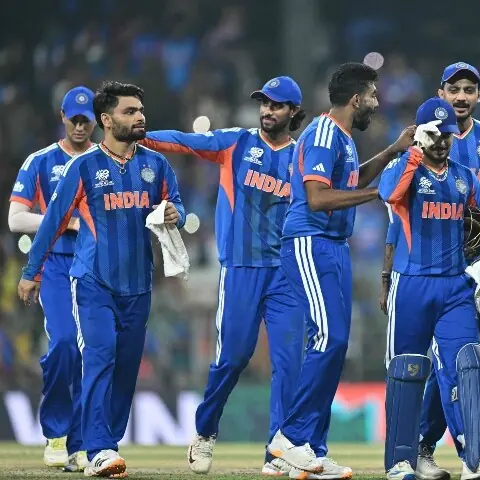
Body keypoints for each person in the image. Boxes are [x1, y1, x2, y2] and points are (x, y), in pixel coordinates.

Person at [379, 61, 480, 480]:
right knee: (414, 368)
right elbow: (391, 202)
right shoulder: (407, 168)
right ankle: (405, 456)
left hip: (463, 281)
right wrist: (413, 153)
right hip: (413, 279)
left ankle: (477, 454)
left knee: (467, 362)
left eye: (446, 134)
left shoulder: (472, 169)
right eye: (455, 90)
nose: (442, 142)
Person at [139, 77, 307, 475]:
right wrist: (139, 137)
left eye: (277, 105)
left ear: (294, 113)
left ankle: (277, 452)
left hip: (286, 272)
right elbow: (184, 142)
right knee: (232, 358)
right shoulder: (237, 142)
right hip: (242, 269)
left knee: (290, 364)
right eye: (264, 103)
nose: (267, 110)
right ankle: (205, 431)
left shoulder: (303, 158)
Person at [17, 81, 186, 478]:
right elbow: (54, 221)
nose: (140, 117)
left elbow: (175, 201)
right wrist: (32, 272)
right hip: (93, 282)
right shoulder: (84, 166)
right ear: (107, 120)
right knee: (98, 358)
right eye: (130, 111)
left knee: (127, 370)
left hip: (139, 286)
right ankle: (99, 448)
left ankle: (104, 442)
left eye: (141, 110)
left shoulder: (156, 164)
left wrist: (174, 211)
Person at [267, 63, 414, 479]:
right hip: (310, 242)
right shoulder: (323, 133)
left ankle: (310, 447)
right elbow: (317, 197)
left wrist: (390, 154)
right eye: (372, 95)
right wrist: (378, 193)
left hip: (332, 247)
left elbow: (347, 180)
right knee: (328, 338)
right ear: (356, 98)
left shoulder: (344, 139)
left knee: (336, 343)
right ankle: (290, 439)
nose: (376, 102)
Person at [8, 86, 95, 472]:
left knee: (94, 353)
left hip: (99, 266)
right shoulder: (40, 161)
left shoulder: (109, 161)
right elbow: (15, 218)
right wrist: (65, 220)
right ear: (62, 117)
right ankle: (57, 433)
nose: (79, 125)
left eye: (86, 118)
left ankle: (83, 444)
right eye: (73, 118)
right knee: (63, 344)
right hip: (58, 264)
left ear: (99, 120)